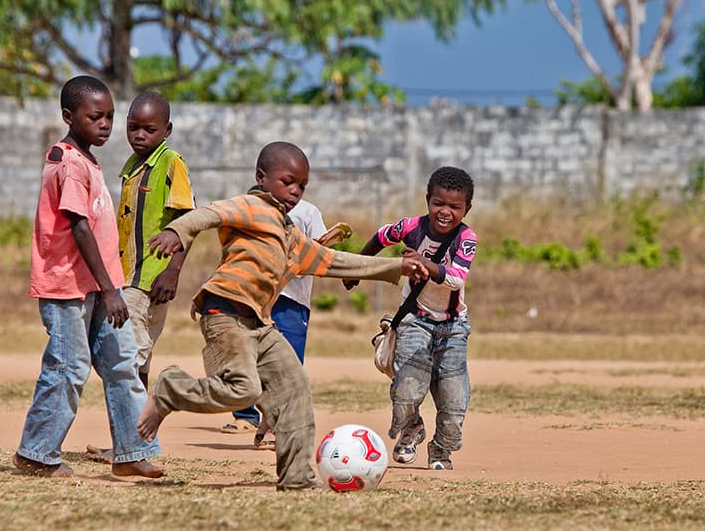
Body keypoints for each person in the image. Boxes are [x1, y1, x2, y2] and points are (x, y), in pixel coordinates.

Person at [133, 141, 429, 490]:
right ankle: (171, 389)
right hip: (225, 312)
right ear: (262, 177)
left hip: (260, 323)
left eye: (301, 185)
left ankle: (296, 477)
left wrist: (398, 265)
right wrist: (176, 231)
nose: (295, 191)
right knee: (243, 389)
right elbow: (208, 214)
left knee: (295, 387)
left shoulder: (290, 236)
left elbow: (334, 261)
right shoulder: (250, 206)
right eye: (287, 181)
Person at [13, 75, 164, 479]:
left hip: (99, 287)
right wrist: (110, 289)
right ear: (69, 116)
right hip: (69, 288)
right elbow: (79, 227)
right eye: (95, 116)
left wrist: (108, 287)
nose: (106, 124)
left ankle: (132, 451)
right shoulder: (67, 163)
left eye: (110, 116)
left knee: (121, 363)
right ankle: (36, 453)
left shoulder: (88, 161)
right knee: (68, 368)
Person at [86, 91, 196, 465]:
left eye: (149, 129)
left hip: (149, 281)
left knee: (125, 360)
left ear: (167, 129)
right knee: (137, 363)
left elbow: (186, 223)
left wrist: (173, 270)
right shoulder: (133, 166)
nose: (139, 135)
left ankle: (130, 445)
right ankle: (133, 441)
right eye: (133, 127)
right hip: (126, 276)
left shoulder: (170, 164)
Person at [344, 166, 477, 471]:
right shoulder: (411, 227)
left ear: (466, 208)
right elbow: (380, 237)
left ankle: (441, 449)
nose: (445, 212)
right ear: (427, 199)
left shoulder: (466, 238)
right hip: (415, 321)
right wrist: (361, 270)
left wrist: (423, 263)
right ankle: (412, 427)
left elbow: (455, 278)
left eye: (455, 207)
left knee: (454, 401)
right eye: (438, 203)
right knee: (406, 387)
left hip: (453, 327)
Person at [220, 194, 326, 448]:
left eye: (296, 183)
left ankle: (274, 425)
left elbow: (322, 250)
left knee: (286, 365)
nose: (289, 189)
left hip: (292, 301)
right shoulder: (253, 208)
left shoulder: (308, 212)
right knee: (246, 357)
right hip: (254, 296)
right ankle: (246, 416)